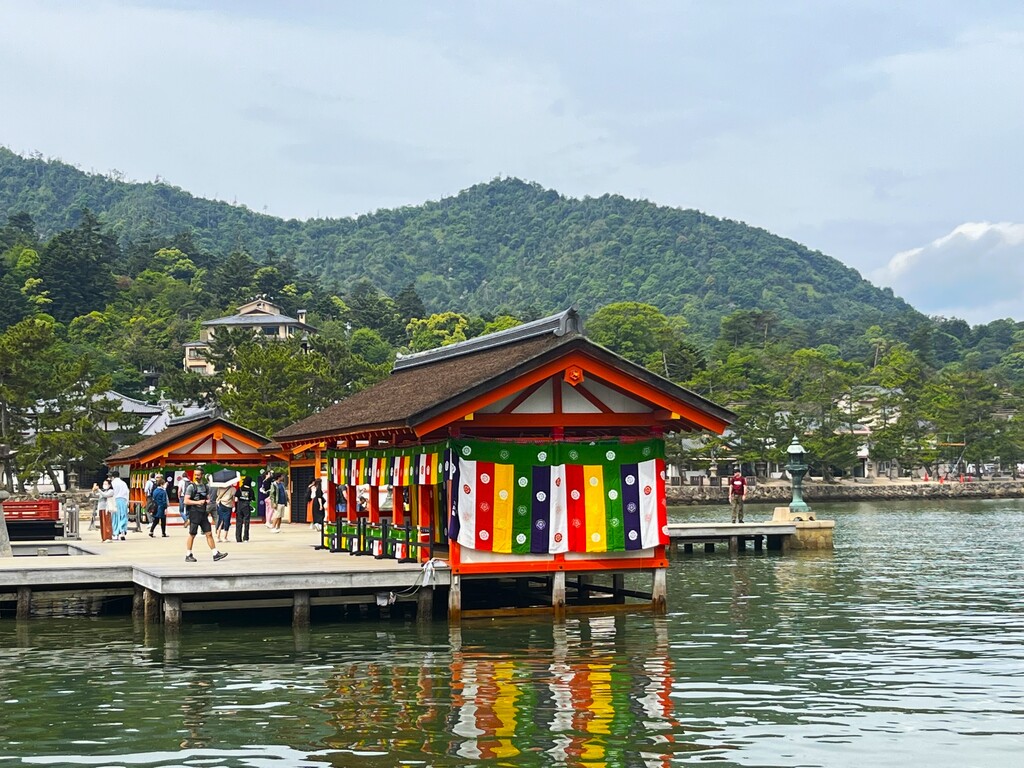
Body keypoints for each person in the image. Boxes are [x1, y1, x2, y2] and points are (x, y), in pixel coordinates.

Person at [183, 466, 228, 562]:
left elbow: (207, 497)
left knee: (209, 533)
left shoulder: (205, 487)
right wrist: (197, 502)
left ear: (202, 475)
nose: (196, 476)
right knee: (192, 534)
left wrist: (207, 501)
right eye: (195, 475)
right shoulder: (191, 487)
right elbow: (186, 501)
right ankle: (188, 554)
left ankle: (215, 553)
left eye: (198, 475)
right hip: (194, 513)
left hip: (203, 513)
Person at [110, 474, 130, 540]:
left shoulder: (112, 483)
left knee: (115, 517)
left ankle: (115, 533)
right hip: (123, 500)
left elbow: (111, 493)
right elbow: (127, 492)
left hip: (115, 500)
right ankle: (122, 532)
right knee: (123, 516)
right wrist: (127, 502)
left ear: (113, 477)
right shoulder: (123, 483)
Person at [235, 475, 254, 542]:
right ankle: (246, 537)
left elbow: (236, 498)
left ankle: (238, 538)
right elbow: (253, 499)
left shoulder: (240, 489)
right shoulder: (250, 490)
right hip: (246, 506)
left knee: (239, 522)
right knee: (246, 522)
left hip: (239, 506)